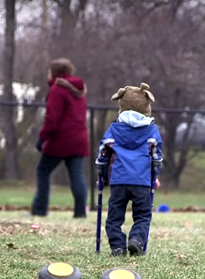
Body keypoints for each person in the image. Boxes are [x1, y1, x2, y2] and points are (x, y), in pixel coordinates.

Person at [96, 82, 163, 256]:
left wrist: (102, 176)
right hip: (141, 182)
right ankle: (137, 240)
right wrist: (154, 176)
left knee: (114, 217)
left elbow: (103, 155)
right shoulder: (152, 131)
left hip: (118, 181)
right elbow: (156, 157)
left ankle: (117, 247)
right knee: (142, 215)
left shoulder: (114, 129)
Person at [31, 58, 89, 218]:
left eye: (49, 72)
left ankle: (39, 209)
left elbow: (52, 118)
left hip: (61, 139)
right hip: (79, 138)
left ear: (56, 73)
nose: (48, 76)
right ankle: (80, 212)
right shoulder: (80, 90)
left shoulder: (57, 89)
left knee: (42, 170)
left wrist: (43, 138)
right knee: (76, 175)